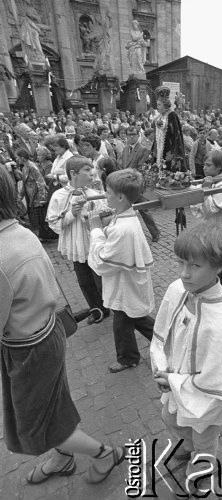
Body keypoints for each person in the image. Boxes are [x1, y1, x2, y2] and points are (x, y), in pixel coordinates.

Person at [0, 166, 125, 486]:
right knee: (52, 407)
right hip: (44, 333)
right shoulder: (17, 230)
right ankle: (63, 456)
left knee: (40, 422)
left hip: (29, 347)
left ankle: (102, 453)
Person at [150, 222, 222, 495]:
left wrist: (173, 380)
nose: (184, 274)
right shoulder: (178, 289)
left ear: (218, 267)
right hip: (177, 379)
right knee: (171, 417)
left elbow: (218, 378)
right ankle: (188, 447)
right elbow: (165, 332)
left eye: (195, 266)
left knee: (204, 435)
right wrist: (163, 368)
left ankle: (202, 464)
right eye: (181, 263)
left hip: (206, 396)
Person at [88, 169, 155, 373]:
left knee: (125, 319)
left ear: (120, 196)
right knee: (132, 317)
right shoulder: (124, 216)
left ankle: (129, 357)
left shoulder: (123, 228)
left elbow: (102, 262)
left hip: (125, 284)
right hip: (126, 282)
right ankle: (164, 343)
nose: (105, 195)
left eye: (107, 192)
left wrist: (95, 229)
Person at [47, 156, 110, 324]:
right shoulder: (59, 196)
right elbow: (53, 222)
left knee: (102, 278)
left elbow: (106, 218)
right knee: (84, 281)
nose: (92, 173)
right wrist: (71, 214)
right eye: (87, 170)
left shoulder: (95, 194)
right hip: (77, 244)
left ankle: (112, 306)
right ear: (73, 173)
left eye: (92, 169)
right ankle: (98, 311)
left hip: (94, 243)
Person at [122, 126, 160, 242]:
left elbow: (140, 169)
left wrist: (127, 176)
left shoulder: (143, 149)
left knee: (144, 209)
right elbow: (122, 166)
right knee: (125, 210)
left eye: (134, 134)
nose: (131, 137)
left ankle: (155, 233)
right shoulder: (125, 149)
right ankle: (128, 234)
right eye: (129, 135)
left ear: (138, 135)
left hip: (136, 184)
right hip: (125, 184)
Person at [190, 150, 222, 228]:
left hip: (217, 230)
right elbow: (195, 206)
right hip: (205, 227)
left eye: (208, 165)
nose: (204, 168)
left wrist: (206, 188)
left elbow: (210, 211)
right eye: (204, 165)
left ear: (218, 167)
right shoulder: (206, 181)